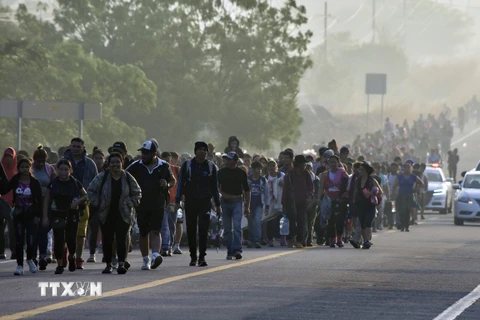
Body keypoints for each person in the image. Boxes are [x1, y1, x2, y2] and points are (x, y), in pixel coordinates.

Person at [88, 152, 141, 274]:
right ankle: (108, 264)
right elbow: (91, 190)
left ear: (122, 163)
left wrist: (131, 202)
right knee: (107, 239)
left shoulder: (127, 177)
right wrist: (97, 203)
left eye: (118, 162)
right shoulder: (103, 177)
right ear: (109, 164)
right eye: (113, 162)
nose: (115, 165)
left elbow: (137, 192)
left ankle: (122, 263)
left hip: (124, 213)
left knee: (122, 238)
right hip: (106, 213)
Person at [127, 140, 176, 270]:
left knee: (155, 230)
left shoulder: (163, 165)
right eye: (142, 152)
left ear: (154, 154)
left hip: (158, 203)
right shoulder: (135, 166)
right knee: (144, 233)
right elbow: (124, 177)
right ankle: (145, 259)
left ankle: (155, 255)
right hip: (141, 204)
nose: (143, 155)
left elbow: (172, 180)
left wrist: (167, 185)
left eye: (146, 153)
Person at [175, 142, 221, 267]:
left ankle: (202, 257)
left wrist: (218, 205)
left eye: (204, 149)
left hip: (205, 202)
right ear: (195, 151)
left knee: (203, 229)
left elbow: (214, 187)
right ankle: (193, 256)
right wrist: (177, 201)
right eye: (199, 149)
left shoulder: (211, 166)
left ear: (207, 152)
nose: (202, 151)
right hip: (190, 201)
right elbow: (180, 184)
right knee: (191, 230)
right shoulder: (188, 165)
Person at [42, 159, 87, 274]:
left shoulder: (75, 182)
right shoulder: (53, 183)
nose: (63, 172)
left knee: (71, 239)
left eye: (66, 169)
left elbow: (86, 195)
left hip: (72, 213)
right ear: (57, 170)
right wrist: (45, 217)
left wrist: (77, 203)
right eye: (60, 169)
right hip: (57, 213)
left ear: (70, 170)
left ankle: (71, 256)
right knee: (58, 240)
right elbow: (47, 200)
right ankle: (60, 263)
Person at [1, 158, 42, 275]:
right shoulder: (15, 180)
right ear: (18, 168)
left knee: (31, 240)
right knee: (19, 240)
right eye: (22, 167)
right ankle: (19, 265)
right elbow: (4, 190)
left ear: (30, 168)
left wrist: (37, 215)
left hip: (31, 215)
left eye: (26, 167)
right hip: (19, 215)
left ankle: (30, 260)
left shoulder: (34, 182)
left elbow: (39, 201)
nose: (24, 169)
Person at [63, 137, 98, 269]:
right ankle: (66, 255)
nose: (76, 148)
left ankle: (78, 258)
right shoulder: (63, 162)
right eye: (74, 146)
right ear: (70, 146)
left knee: (81, 233)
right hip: (64, 201)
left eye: (79, 146)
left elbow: (95, 183)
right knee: (64, 231)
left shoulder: (90, 164)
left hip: (84, 201)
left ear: (83, 148)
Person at [218, 152, 250, 260]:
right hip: (225, 202)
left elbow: (247, 190)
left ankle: (237, 250)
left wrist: (247, 206)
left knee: (237, 227)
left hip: (237, 201)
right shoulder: (221, 172)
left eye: (229, 159)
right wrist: (217, 202)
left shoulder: (241, 173)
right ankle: (230, 250)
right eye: (226, 159)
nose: (227, 161)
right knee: (227, 229)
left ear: (235, 161)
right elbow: (217, 188)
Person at [32, 145, 57, 271]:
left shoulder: (49, 169)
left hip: (46, 202)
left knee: (43, 229)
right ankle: (32, 257)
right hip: (31, 203)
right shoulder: (29, 169)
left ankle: (42, 256)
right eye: (38, 161)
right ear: (34, 159)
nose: (41, 164)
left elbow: (54, 184)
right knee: (33, 232)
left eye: (43, 161)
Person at [282, 155, 314, 248]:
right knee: (291, 222)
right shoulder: (290, 174)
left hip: (303, 202)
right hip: (291, 202)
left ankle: (299, 240)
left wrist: (309, 196)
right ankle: (290, 239)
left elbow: (311, 187)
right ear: (298, 164)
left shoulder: (306, 174)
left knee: (302, 222)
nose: (304, 165)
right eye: (303, 163)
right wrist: (283, 203)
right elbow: (286, 189)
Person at [318, 155, 349, 248]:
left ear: (338, 163)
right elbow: (321, 187)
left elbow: (348, 185)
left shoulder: (343, 173)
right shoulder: (324, 174)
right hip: (329, 200)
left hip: (340, 200)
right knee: (330, 221)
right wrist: (319, 199)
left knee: (340, 220)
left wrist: (345, 194)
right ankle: (332, 239)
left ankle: (339, 239)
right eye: (331, 162)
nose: (332, 164)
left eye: (334, 162)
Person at [353, 162, 382, 249]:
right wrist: (353, 201)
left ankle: (367, 241)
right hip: (360, 204)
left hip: (370, 204)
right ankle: (363, 240)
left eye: (362, 170)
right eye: (359, 169)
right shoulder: (357, 180)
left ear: (366, 171)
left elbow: (380, 191)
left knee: (368, 223)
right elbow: (355, 191)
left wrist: (372, 193)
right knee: (362, 223)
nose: (359, 171)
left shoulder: (372, 180)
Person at [391, 163, 423, 232]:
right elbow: (394, 186)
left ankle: (407, 226)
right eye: (405, 167)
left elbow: (421, 183)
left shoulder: (413, 177)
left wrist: (416, 189)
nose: (406, 169)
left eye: (408, 167)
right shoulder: (400, 177)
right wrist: (393, 194)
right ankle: (402, 225)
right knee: (401, 211)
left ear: (411, 169)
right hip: (401, 195)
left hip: (409, 195)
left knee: (408, 211)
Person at [247, 161, 269, 248]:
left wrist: (267, 206)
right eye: (257, 168)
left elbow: (266, 194)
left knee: (257, 221)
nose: (259, 170)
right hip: (249, 204)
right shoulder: (248, 179)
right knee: (250, 222)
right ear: (252, 169)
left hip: (259, 204)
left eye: (260, 168)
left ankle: (257, 240)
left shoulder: (263, 180)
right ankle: (251, 240)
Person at [0, 147, 17, 259]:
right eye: (6, 157)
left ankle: (14, 250)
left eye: (10, 157)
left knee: (13, 227)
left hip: (14, 203)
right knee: (1, 227)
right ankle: (1, 251)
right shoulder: (1, 167)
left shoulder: (18, 170)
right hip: (2, 201)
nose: (8, 160)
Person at [264, 160, 284, 247]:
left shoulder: (281, 175)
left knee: (282, 221)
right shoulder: (265, 177)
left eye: (273, 166)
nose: (271, 168)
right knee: (270, 221)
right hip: (270, 202)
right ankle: (270, 239)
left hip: (280, 201)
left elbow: (286, 185)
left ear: (276, 167)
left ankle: (282, 238)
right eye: (270, 166)